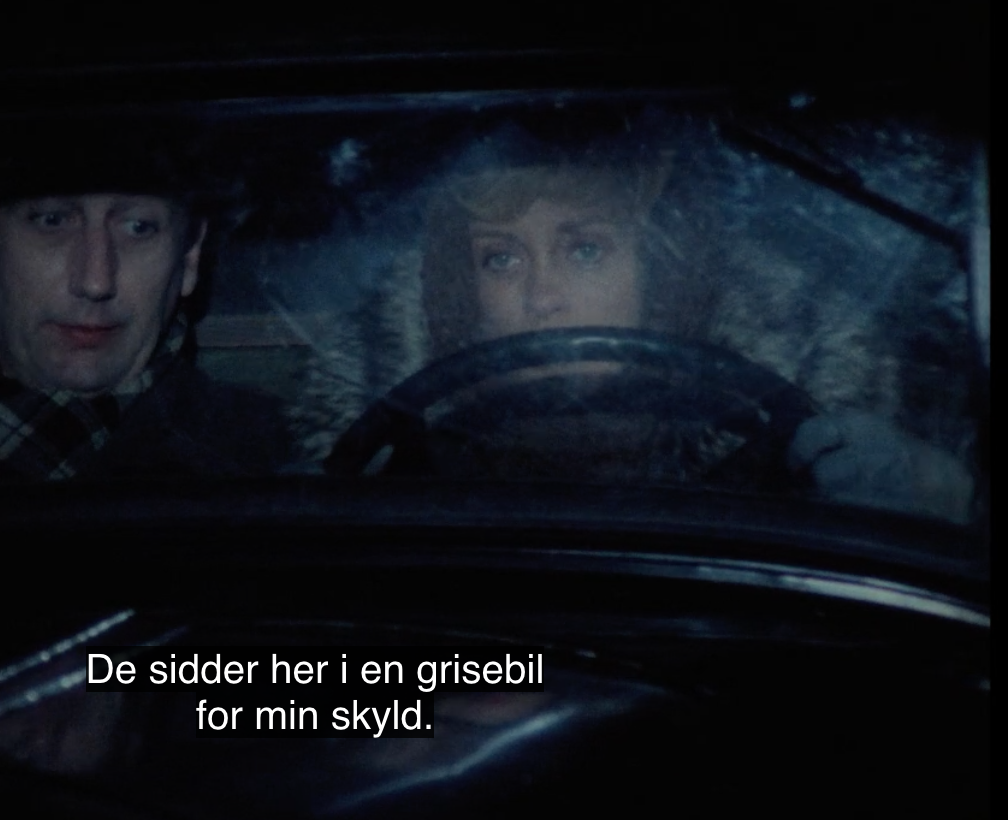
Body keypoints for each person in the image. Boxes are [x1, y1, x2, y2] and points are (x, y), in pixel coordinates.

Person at [290, 124, 976, 523]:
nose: (542, 296)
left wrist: (940, 491)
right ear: (461, 290)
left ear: (661, 271)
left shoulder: (803, 443)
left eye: (585, 250)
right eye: (501, 258)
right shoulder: (387, 467)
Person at [0, 118, 288, 486]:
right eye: (51, 221)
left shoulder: (276, 463)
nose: (95, 281)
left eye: (138, 228)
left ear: (188, 257)